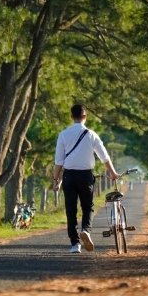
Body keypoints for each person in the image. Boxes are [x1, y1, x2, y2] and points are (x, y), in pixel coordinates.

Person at [50, 103, 119, 253]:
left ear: (71, 116)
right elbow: (104, 157)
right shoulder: (91, 134)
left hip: (69, 176)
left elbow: (58, 161)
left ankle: (75, 244)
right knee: (88, 207)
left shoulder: (63, 134)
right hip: (86, 175)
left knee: (71, 209)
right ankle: (86, 230)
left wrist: (55, 181)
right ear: (85, 116)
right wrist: (113, 173)